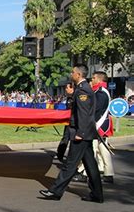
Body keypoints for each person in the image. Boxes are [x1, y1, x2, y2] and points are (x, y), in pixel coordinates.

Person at [40, 64, 104, 203]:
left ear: (79, 75)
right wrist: (70, 95)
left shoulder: (83, 91)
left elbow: (84, 114)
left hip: (81, 133)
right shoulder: (81, 90)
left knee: (70, 164)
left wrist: (80, 132)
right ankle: (97, 194)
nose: (71, 74)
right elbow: (76, 109)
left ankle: (55, 192)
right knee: (90, 165)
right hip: (85, 133)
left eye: (73, 72)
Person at [73, 71, 115, 184]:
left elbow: (96, 110)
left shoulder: (100, 93)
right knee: (103, 149)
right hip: (101, 124)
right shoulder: (100, 91)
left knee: (91, 150)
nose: (91, 80)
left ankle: (85, 173)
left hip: (98, 124)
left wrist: (88, 124)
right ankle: (108, 173)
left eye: (93, 78)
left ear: (98, 79)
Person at [56, 83, 74, 162]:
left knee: (73, 140)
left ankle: (71, 157)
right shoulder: (68, 98)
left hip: (74, 122)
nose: (65, 90)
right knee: (65, 138)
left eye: (67, 88)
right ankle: (60, 154)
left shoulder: (75, 98)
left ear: (72, 89)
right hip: (68, 121)